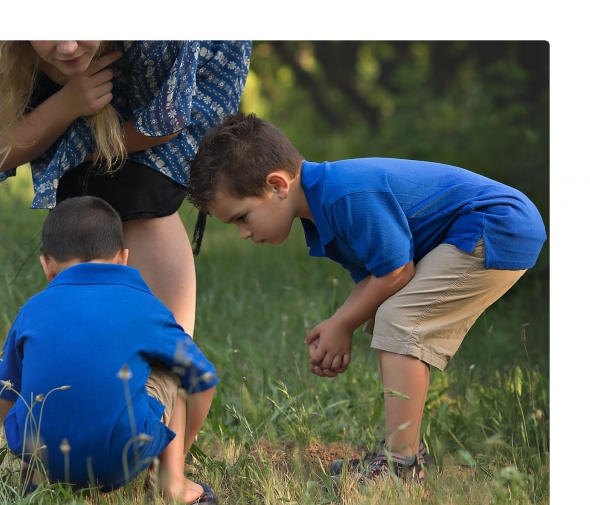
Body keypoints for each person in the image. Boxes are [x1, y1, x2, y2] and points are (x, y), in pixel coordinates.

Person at [186, 112, 546, 484]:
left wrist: (343, 322)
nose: (244, 232)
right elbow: (377, 278)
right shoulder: (322, 208)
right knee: (386, 316)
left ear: (278, 185)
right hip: (482, 226)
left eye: (242, 218)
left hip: (497, 222)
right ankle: (403, 451)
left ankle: (400, 464)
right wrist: (339, 324)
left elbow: (395, 272)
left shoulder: (345, 194)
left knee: (400, 320)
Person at [0, 40, 251, 340]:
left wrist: (84, 153)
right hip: (67, 102)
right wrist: (67, 104)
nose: (67, 45)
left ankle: (162, 377)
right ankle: (94, 363)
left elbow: (166, 120)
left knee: (137, 189)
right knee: (80, 206)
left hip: (165, 95)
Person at [0, 196, 219, 505]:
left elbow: (3, 394)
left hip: (45, 458)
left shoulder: (31, 310)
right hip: (122, 456)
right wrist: (177, 445)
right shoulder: (145, 306)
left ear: (47, 265)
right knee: (174, 374)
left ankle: (35, 480)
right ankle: (173, 481)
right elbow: (203, 379)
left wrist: (30, 452)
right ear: (124, 258)